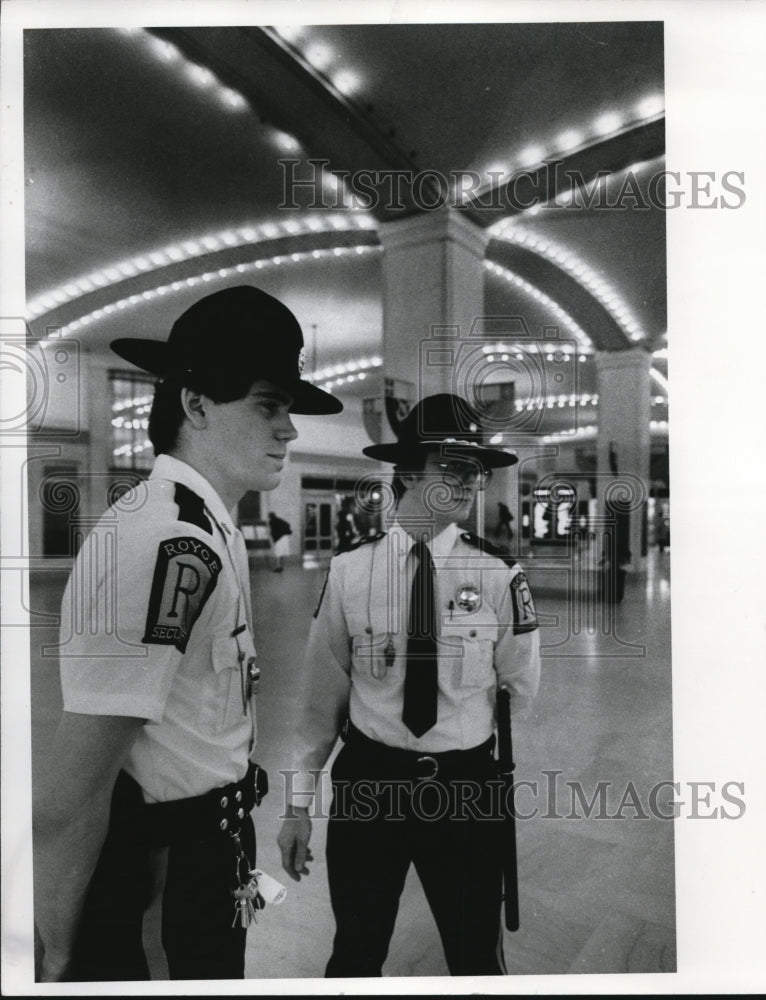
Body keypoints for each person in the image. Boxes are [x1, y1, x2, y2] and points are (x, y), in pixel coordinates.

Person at [32, 285, 342, 982]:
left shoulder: (203, 524)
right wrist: (54, 948)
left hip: (210, 848)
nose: (288, 429)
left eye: (287, 408)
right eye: (268, 405)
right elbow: (72, 793)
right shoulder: (166, 541)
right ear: (196, 404)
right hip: (163, 877)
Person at [277, 393, 541, 977]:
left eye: (475, 469)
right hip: (371, 788)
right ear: (409, 475)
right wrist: (297, 807)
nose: (471, 481)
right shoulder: (349, 572)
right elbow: (319, 706)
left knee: (476, 956)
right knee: (355, 953)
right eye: (453, 466)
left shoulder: (499, 576)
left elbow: (518, 690)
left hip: (466, 791)